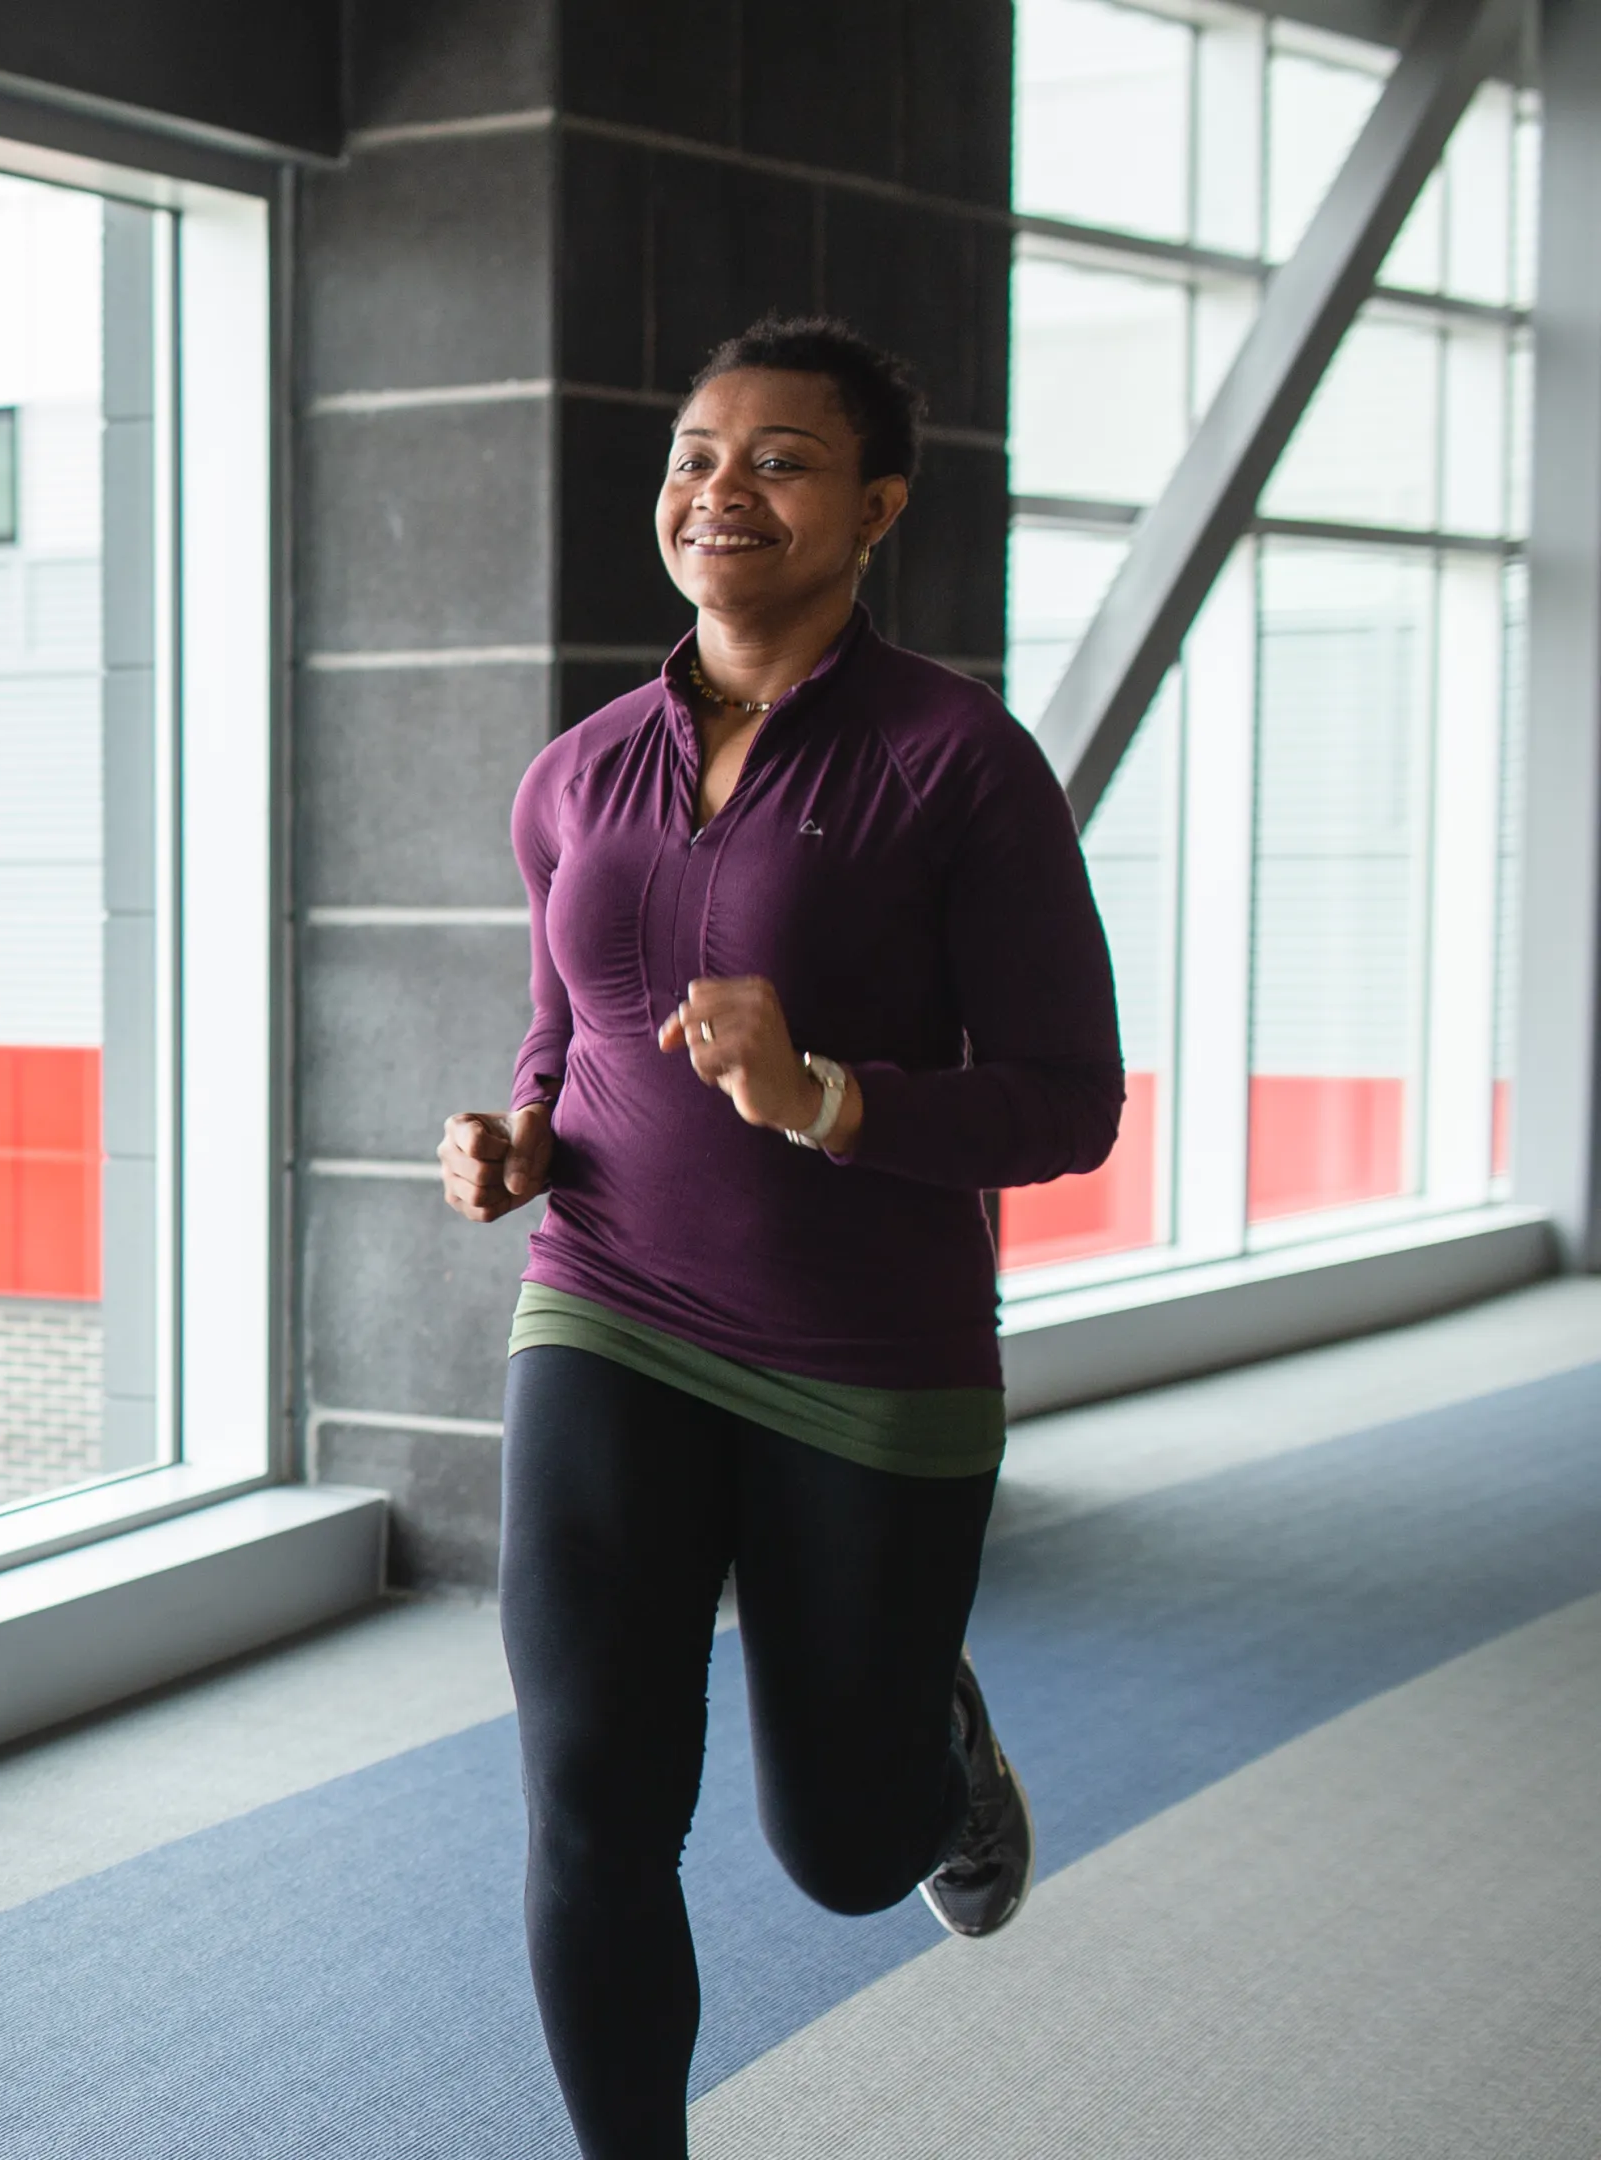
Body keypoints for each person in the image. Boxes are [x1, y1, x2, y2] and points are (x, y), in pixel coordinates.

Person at [437, 315, 1124, 2160]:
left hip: (864, 1356)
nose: (720, 489)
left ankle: (936, 1761)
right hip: (607, 1309)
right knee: (592, 1804)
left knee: (841, 1848)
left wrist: (830, 1099)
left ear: (878, 508)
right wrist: (520, 1138)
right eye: (695, 455)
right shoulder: (577, 774)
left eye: (781, 460)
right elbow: (567, 1028)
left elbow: (1071, 1101)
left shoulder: (960, 763)